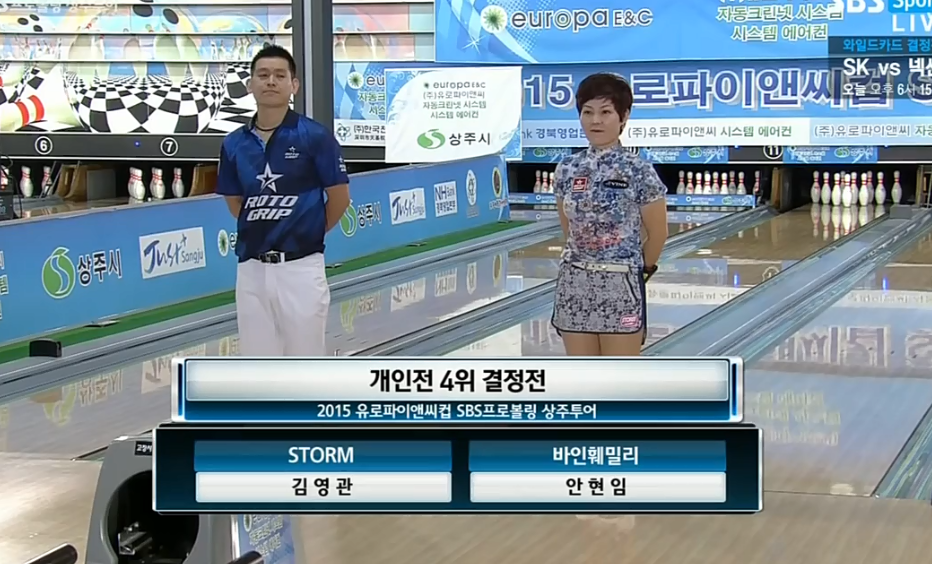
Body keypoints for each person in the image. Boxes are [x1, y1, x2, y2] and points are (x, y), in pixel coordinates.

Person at [216, 45, 350, 356]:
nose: (271, 82)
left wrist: (307, 230)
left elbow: (340, 198)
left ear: (294, 85)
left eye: (279, 75)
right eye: (263, 75)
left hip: (301, 268)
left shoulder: (314, 136)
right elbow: (235, 203)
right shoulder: (234, 143)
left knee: (305, 365)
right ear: (250, 85)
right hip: (251, 270)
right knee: (257, 366)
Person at [551, 73, 668, 356]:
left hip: (621, 285)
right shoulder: (567, 169)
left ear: (623, 117)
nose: (596, 120)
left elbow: (658, 233)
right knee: (581, 376)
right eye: (587, 112)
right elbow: (569, 230)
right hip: (574, 284)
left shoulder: (639, 171)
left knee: (619, 377)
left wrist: (641, 270)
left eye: (605, 112)